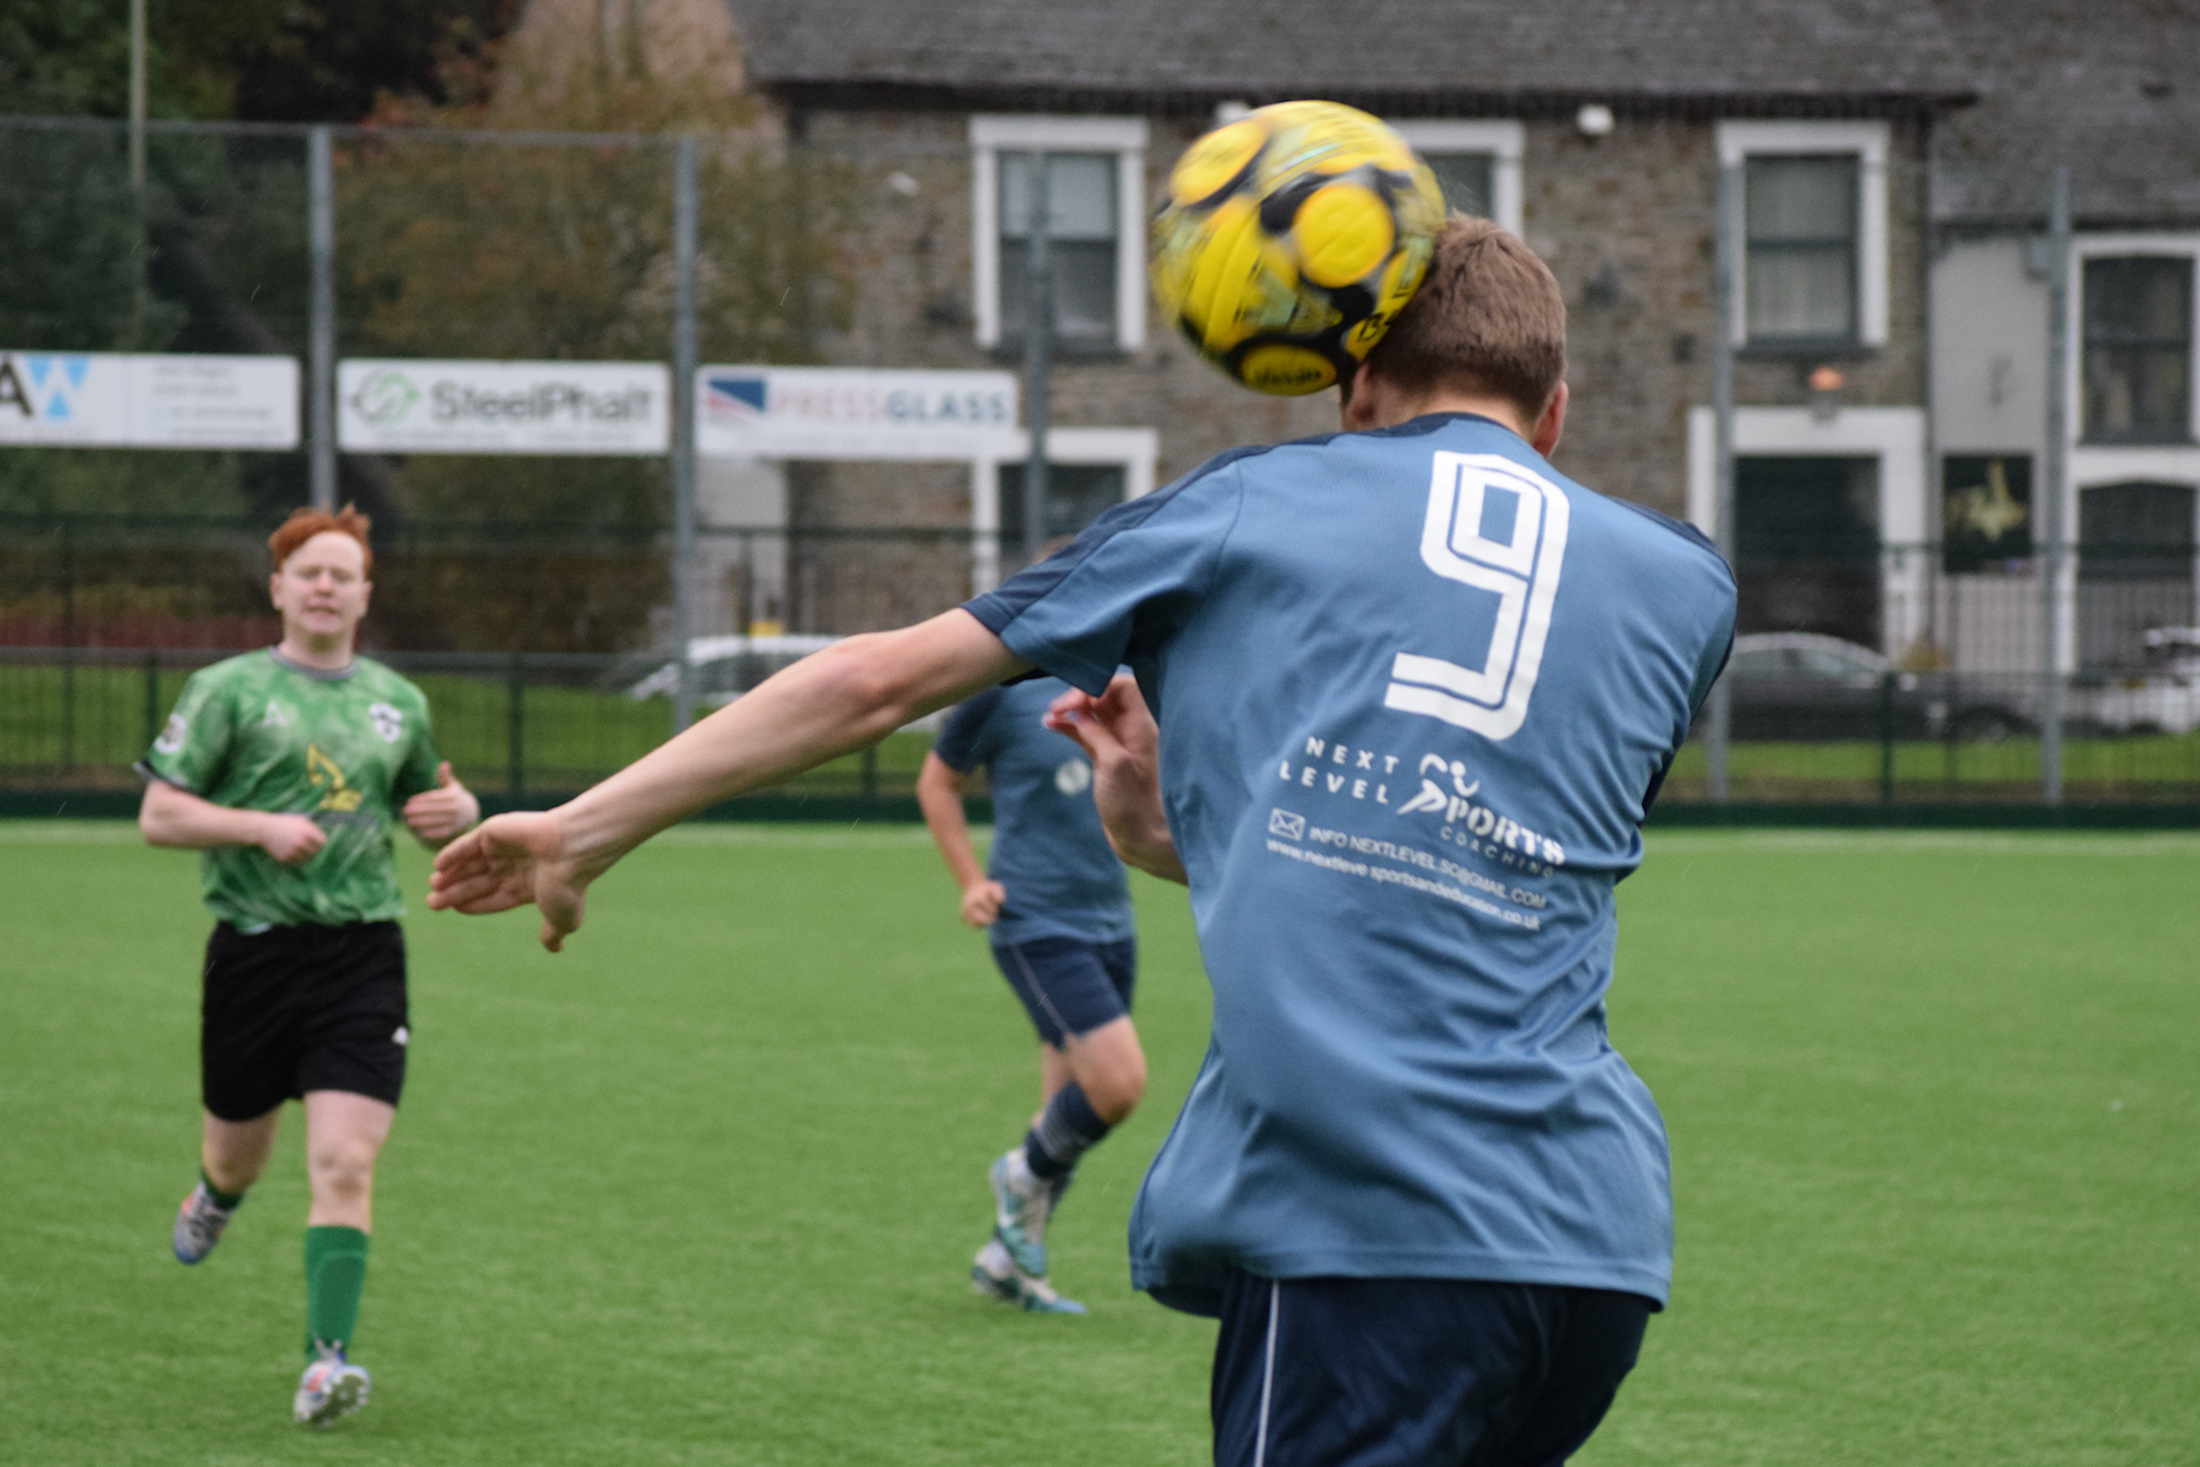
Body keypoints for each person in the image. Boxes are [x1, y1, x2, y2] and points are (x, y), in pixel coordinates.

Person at [429, 216, 1735, 1466]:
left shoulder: (1256, 498)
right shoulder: (1686, 588)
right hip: (1591, 1241)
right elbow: (1479, 857)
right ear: (1554, 413)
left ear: (1352, 388)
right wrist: (1166, 830)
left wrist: (587, 827)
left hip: (1372, 1230)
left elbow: (880, 681)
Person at [139, 505, 479, 1428]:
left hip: (363, 955)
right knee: (237, 1154)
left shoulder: (398, 702)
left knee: (344, 1158)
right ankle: (216, 1194)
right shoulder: (227, 691)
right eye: (309, 572)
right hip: (253, 955)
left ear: (366, 595)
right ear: (278, 588)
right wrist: (258, 825)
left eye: (343, 574)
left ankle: (327, 1362)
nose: (326, 586)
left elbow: (434, 806)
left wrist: (460, 811)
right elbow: (160, 815)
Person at [917, 667, 1148, 1315]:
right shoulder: (1000, 692)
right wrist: (971, 882)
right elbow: (937, 781)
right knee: (1117, 1086)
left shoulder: (1127, 686)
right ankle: (1019, 1173)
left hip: (1113, 923)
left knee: (1062, 1113)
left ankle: (1006, 1263)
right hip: (1036, 923)